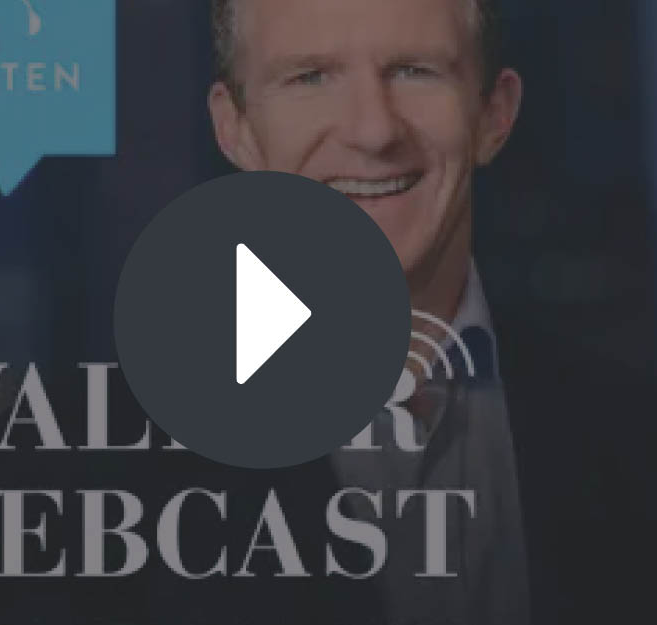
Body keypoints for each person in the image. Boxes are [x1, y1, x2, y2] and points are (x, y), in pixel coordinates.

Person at [203, 0, 530, 622]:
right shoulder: (82, 475)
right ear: (235, 129)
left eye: (414, 71)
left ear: (495, 113)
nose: (374, 131)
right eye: (310, 78)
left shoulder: (648, 435)